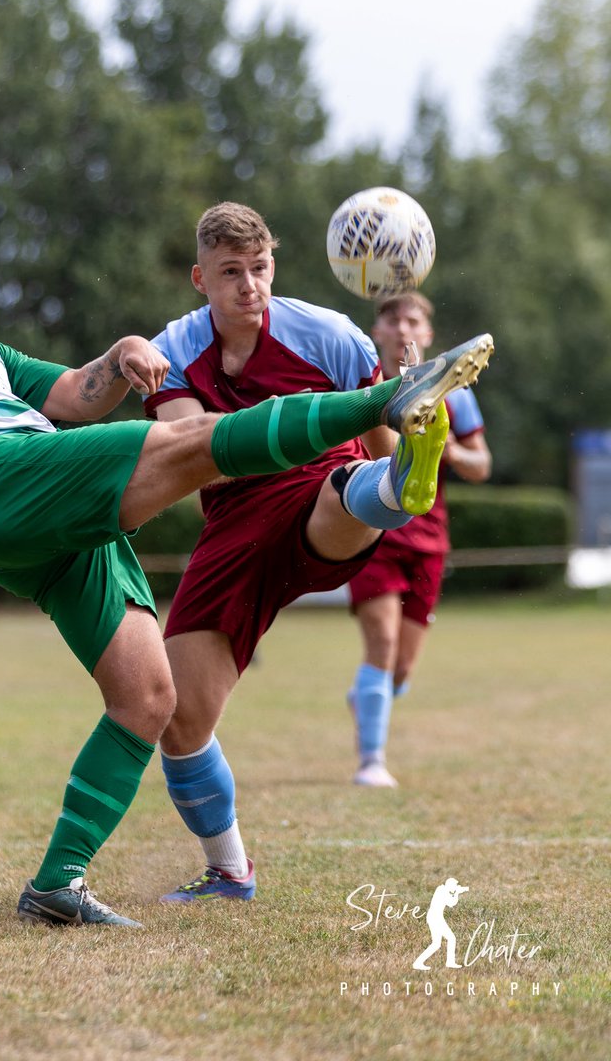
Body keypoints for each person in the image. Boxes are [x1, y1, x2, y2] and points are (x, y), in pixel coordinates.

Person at [0, 199, 491, 929]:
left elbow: (74, 395)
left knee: (151, 699)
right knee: (192, 442)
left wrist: (121, 353)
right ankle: (387, 401)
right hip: (1, 480)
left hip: (48, 509)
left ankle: (57, 885)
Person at [143, 202, 492, 906]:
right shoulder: (172, 348)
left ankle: (399, 483)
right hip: (233, 522)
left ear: (275, 267)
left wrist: (399, 420)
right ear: (199, 278)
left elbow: (377, 443)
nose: (249, 286)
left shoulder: (327, 334)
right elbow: (195, 450)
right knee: (179, 718)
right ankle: (230, 872)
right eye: (231, 273)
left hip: (321, 492)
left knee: (349, 482)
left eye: (260, 269)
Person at [347, 291, 492, 788]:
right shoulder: (361, 384)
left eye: (414, 320)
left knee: (402, 668)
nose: (403, 327)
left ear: (428, 335)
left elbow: (481, 465)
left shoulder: (455, 389)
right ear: (378, 330)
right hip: (371, 528)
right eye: (392, 318)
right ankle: (371, 761)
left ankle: (372, 698)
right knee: (382, 644)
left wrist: (445, 446)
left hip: (429, 537)